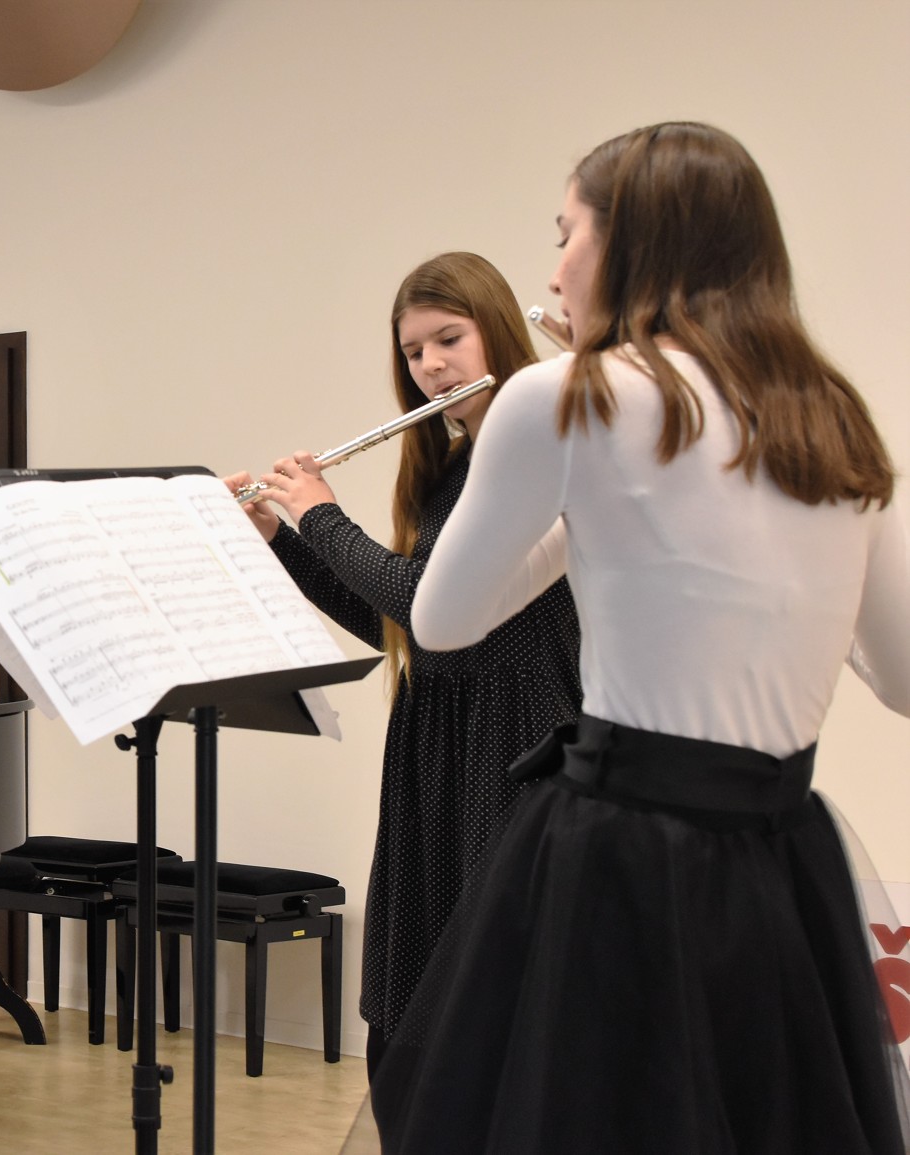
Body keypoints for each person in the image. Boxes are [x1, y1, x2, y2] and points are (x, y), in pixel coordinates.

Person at [367, 122, 910, 1154]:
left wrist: (583, 471)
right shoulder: (834, 420)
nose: (554, 268)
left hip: (618, 853)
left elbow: (440, 618)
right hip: (783, 856)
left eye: (565, 232)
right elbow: (904, 676)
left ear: (631, 245)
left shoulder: (561, 397)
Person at [223, 252, 583, 1077]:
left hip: (518, 740)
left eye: (448, 339)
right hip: (437, 739)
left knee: (492, 1004)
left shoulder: (539, 457)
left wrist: (321, 515)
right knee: (412, 1008)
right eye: (414, 351)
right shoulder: (447, 466)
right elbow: (401, 626)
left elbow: (426, 604)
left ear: (497, 330)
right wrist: (281, 540)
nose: (431, 366)